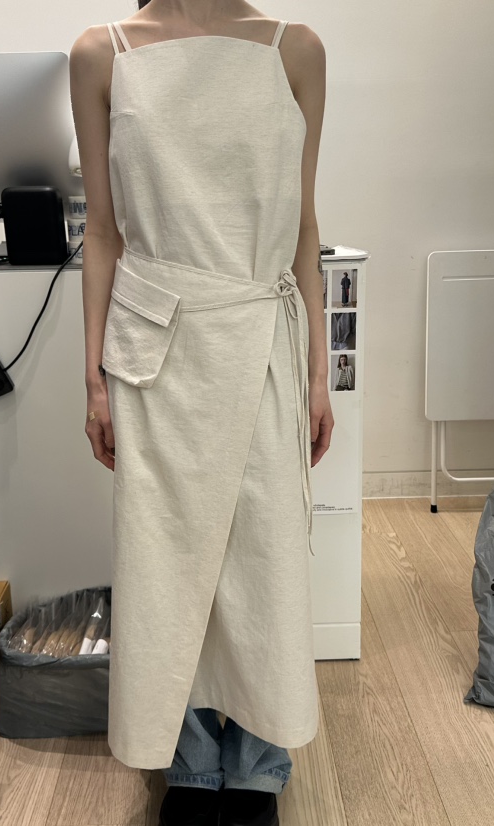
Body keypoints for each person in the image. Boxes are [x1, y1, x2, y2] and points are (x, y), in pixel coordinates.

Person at [69, 2, 330, 824]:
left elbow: (304, 228)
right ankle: (187, 763)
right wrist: (93, 379)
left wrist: (319, 372)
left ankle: (255, 765)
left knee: (264, 562)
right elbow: (102, 232)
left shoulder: (295, 50)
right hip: (155, 353)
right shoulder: (102, 54)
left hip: (261, 335)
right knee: (166, 570)